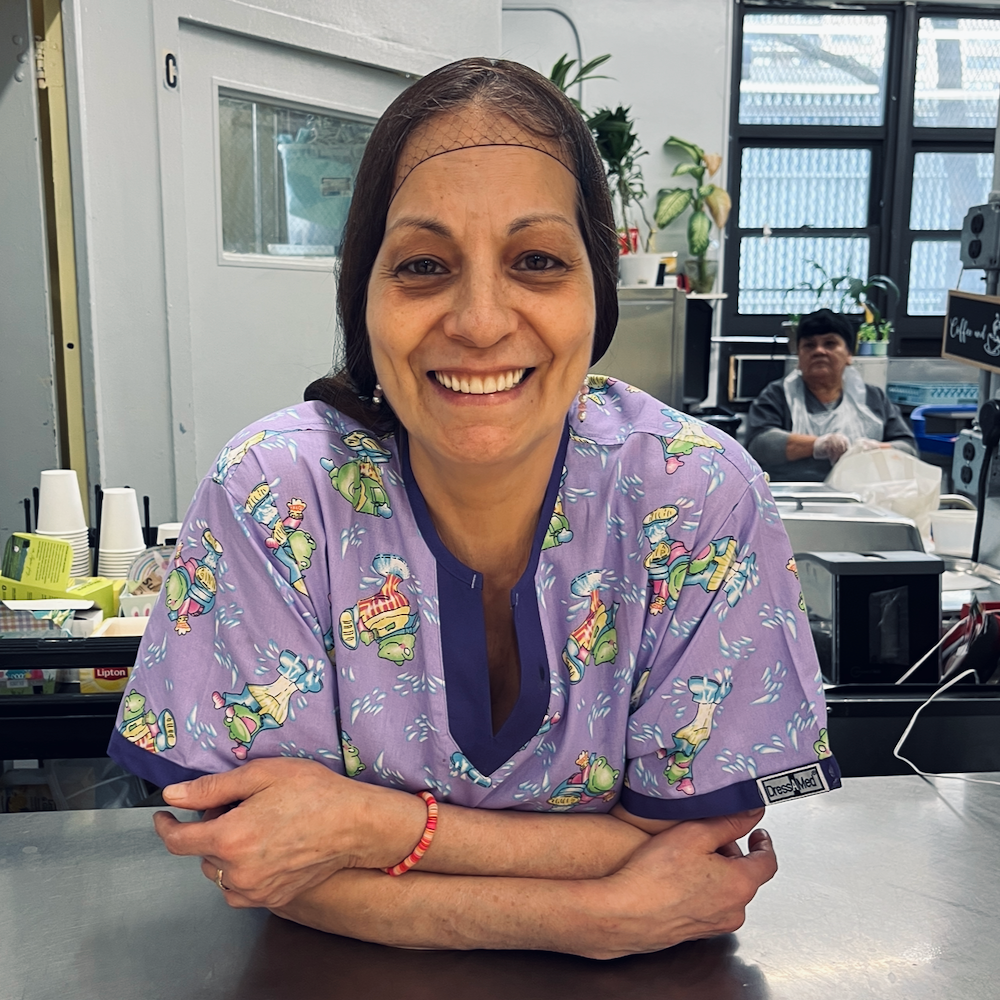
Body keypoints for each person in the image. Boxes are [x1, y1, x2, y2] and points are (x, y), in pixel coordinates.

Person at [108, 58, 840, 959]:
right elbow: (260, 858)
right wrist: (596, 916)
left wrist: (363, 828)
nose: (483, 320)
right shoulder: (274, 496)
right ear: (363, 299)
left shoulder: (696, 496)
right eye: (423, 265)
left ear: (596, 293)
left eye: (537, 260)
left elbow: (697, 843)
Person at [745, 309, 917, 482]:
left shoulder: (874, 398)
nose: (819, 351)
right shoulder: (777, 395)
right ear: (799, 355)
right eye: (809, 345)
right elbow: (758, 445)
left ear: (849, 354)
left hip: (863, 498)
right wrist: (819, 444)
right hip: (794, 497)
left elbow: (908, 449)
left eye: (830, 344)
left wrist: (876, 449)